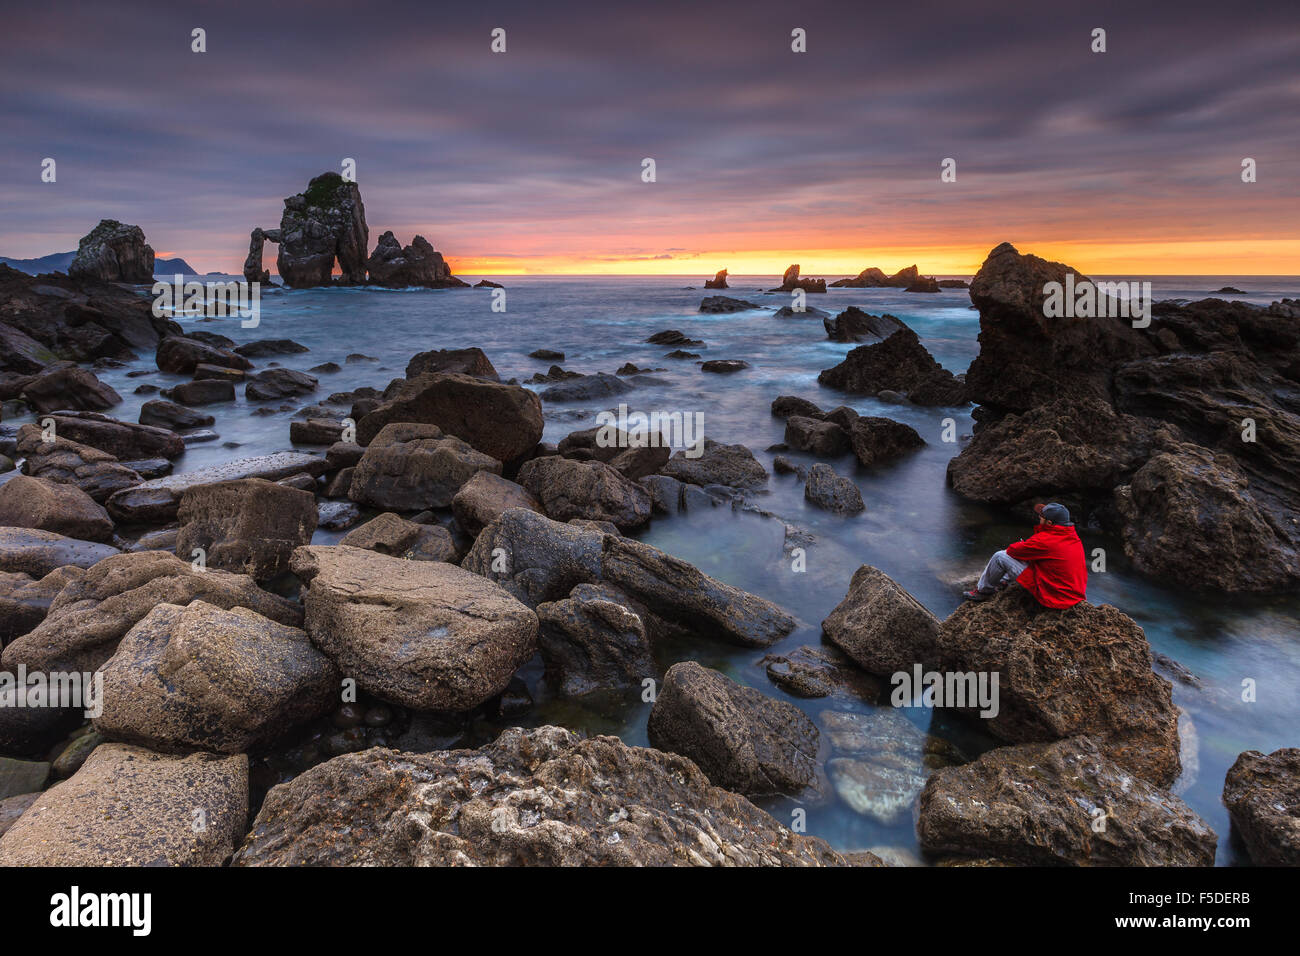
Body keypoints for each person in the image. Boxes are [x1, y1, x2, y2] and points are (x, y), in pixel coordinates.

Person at [963, 502, 1087, 608]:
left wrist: (1023, 545)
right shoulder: (1073, 537)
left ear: (1049, 523)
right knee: (1030, 556)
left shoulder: (1046, 540)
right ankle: (1004, 581)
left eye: (1041, 516)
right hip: (1073, 594)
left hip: (1054, 597)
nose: (1039, 517)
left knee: (1000, 556)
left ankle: (984, 591)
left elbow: (1012, 551)